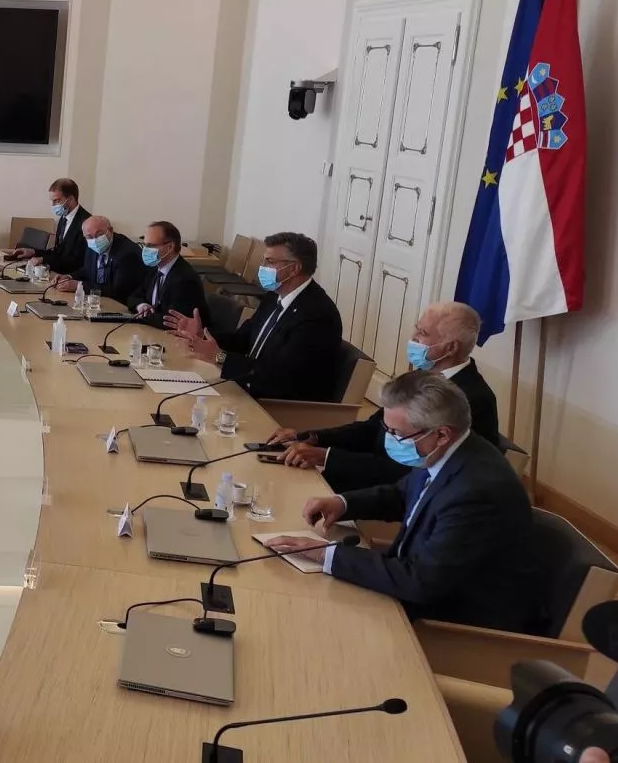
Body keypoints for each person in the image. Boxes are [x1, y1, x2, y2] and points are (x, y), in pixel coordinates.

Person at [263, 371, 537, 633]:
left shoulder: (477, 492)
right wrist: (343, 503)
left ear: (442, 434)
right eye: (387, 429)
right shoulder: (450, 450)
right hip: (416, 586)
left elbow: (421, 581)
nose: (389, 440)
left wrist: (326, 554)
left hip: (453, 624)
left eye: (397, 434)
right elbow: (402, 494)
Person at [265, 301, 502, 493]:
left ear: (450, 348)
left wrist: (327, 457)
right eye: (416, 329)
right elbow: (372, 428)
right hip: (364, 472)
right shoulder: (420, 376)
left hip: (392, 493)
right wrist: (310, 437)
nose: (413, 338)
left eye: (422, 333)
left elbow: (412, 472)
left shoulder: (473, 399)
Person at [169, 232, 342, 402]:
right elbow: (243, 339)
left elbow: (282, 376)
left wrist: (220, 357)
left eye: (270, 262)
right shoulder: (274, 296)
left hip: (283, 406)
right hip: (251, 386)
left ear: (294, 268)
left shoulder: (317, 315)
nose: (262, 267)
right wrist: (202, 335)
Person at [126, 220, 208, 326]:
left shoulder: (185, 279)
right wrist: (142, 306)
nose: (145, 250)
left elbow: (170, 321)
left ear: (169, 247)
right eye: (144, 245)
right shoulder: (154, 268)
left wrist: (145, 315)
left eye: (151, 246)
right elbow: (133, 297)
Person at [53, 215, 143, 307]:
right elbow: (88, 270)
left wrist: (79, 285)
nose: (94, 240)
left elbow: (117, 291)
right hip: (97, 302)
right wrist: (69, 276)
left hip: (120, 305)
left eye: (99, 235)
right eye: (89, 237)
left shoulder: (127, 253)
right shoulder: (91, 244)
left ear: (110, 230)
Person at [14, 178, 91, 275]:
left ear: (71, 199)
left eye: (57, 201)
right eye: (52, 201)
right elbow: (58, 251)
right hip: (57, 273)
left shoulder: (87, 223)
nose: (53, 205)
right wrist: (33, 252)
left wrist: (43, 259)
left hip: (72, 276)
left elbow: (76, 260)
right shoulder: (63, 218)